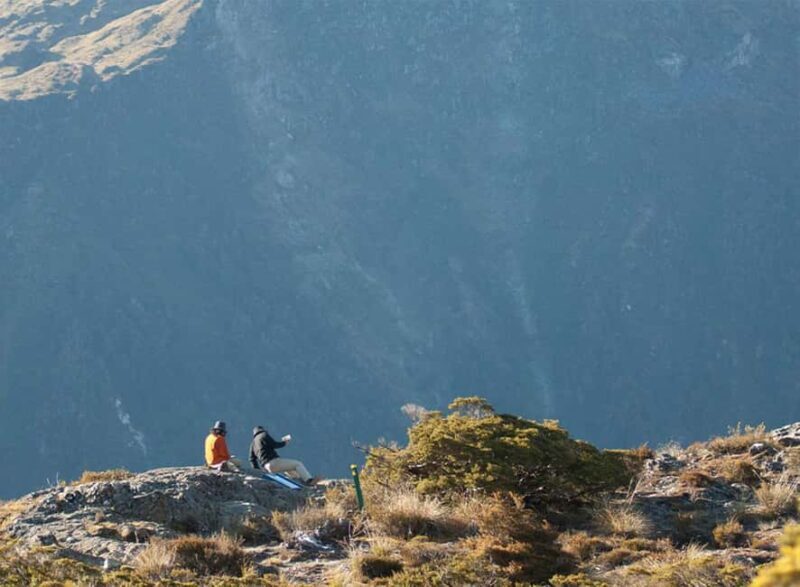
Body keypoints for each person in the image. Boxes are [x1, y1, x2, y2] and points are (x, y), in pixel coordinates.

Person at [249, 425, 317, 485]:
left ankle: (298, 481)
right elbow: (274, 445)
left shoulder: (253, 443)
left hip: (266, 467)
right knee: (298, 464)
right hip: (274, 462)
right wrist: (284, 442)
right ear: (262, 430)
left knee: (290, 469)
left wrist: (258, 471)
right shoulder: (264, 435)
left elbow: (252, 459)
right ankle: (309, 481)